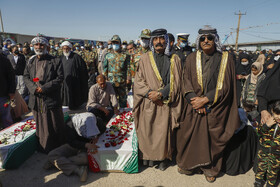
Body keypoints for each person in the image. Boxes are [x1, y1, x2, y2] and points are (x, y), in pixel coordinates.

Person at [176, 26, 240, 182]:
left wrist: (205, 100)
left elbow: (226, 85)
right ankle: (189, 165)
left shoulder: (226, 58)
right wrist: (195, 101)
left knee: (213, 138)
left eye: (209, 38)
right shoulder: (191, 58)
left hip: (216, 105)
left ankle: (210, 169)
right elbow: (186, 81)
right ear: (198, 41)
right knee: (190, 135)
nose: (206, 41)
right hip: (194, 105)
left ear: (215, 40)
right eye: (203, 38)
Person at [133, 28, 183, 171]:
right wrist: (150, 93)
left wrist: (161, 94)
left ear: (166, 41)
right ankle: (147, 159)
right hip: (148, 101)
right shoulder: (144, 58)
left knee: (162, 133)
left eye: (161, 39)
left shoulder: (175, 59)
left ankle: (162, 160)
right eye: (155, 39)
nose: (158, 42)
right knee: (147, 131)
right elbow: (138, 81)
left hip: (165, 102)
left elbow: (177, 82)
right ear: (151, 41)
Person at [23, 35, 65, 153]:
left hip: (50, 98)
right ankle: (43, 147)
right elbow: (26, 76)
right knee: (40, 124)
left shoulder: (55, 60)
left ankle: (58, 149)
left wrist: (44, 88)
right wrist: (33, 88)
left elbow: (60, 78)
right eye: (36, 44)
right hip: (36, 98)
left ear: (47, 46)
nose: (39, 47)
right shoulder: (31, 61)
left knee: (54, 123)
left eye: (41, 44)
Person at [46, 116, 102, 182]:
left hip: (85, 150)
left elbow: (103, 130)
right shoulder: (69, 125)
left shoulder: (97, 121)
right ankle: (78, 170)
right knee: (52, 155)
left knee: (86, 159)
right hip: (74, 146)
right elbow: (71, 142)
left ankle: (56, 163)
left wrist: (97, 137)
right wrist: (86, 144)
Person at [254, 100, 280, 187]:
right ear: (272, 112)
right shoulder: (267, 120)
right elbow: (258, 133)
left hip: (276, 155)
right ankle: (258, 182)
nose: (278, 118)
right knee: (260, 168)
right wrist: (266, 125)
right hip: (263, 151)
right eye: (276, 115)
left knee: (273, 171)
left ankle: (270, 184)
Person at [103, 35, 131, 108]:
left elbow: (128, 67)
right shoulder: (108, 55)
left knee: (123, 100)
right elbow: (105, 68)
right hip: (111, 81)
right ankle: (113, 116)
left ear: (120, 44)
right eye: (113, 43)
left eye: (116, 43)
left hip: (121, 81)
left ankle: (123, 115)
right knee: (112, 99)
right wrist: (105, 78)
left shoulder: (125, 55)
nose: (115, 44)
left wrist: (128, 78)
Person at [60, 41, 89, 110]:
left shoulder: (76, 57)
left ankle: (75, 105)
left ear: (70, 48)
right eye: (64, 48)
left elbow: (83, 70)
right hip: (64, 81)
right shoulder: (60, 58)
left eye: (67, 48)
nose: (66, 50)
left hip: (75, 81)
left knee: (74, 94)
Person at [0, 53, 16, 128]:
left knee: (6, 118)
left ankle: (9, 135)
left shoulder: (4, 60)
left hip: (3, 95)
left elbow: (11, 77)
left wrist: (12, 91)